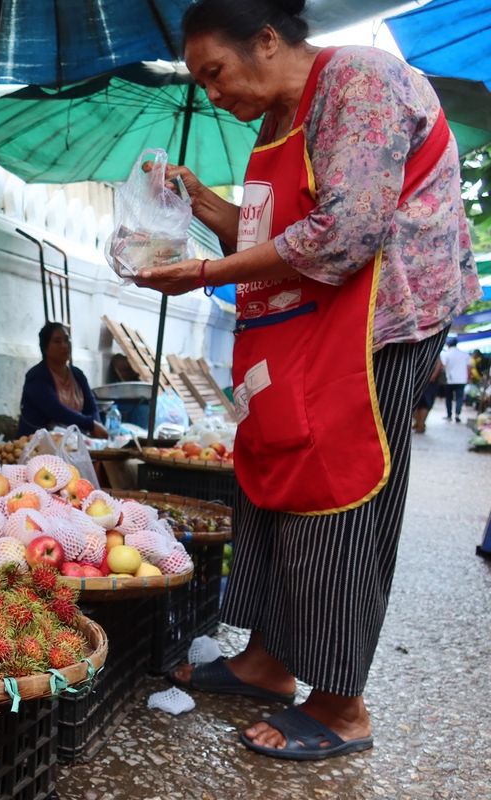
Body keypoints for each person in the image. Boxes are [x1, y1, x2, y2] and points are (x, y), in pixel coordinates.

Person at [134, 0, 481, 762]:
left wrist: (204, 274)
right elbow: (269, 237)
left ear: (266, 39)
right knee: (273, 470)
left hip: (382, 318)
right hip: (306, 322)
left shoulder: (360, 83)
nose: (212, 94)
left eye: (215, 72)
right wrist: (198, 199)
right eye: (201, 82)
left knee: (337, 488)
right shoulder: (275, 123)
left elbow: (344, 233)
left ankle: (341, 705)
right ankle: (269, 661)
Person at [17, 322, 107, 437]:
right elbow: (56, 411)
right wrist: (90, 424)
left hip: (74, 438)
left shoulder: (77, 374)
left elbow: (91, 407)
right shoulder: (36, 377)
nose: (64, 345)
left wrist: (96, 424)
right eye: (57, 341)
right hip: (39, 440)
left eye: (67, 340)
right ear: (45, 348)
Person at [439, 337, 471, 422]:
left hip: (449, 380)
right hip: (462, 379)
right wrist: (468, 378)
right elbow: (469, 367)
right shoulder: (465, 354)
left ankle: (449, 415)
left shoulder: (445, 354)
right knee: (459, 398)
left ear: (448, 345)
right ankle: (457, 415)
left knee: (448, 398)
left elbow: (442, 366)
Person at [411, 356, 444, 434]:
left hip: (427, 380)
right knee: (417, 403)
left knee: (423, 403)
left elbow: (439, 363)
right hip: (420, 378)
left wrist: (433, 376)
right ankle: (419, 423)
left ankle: (421, 424)